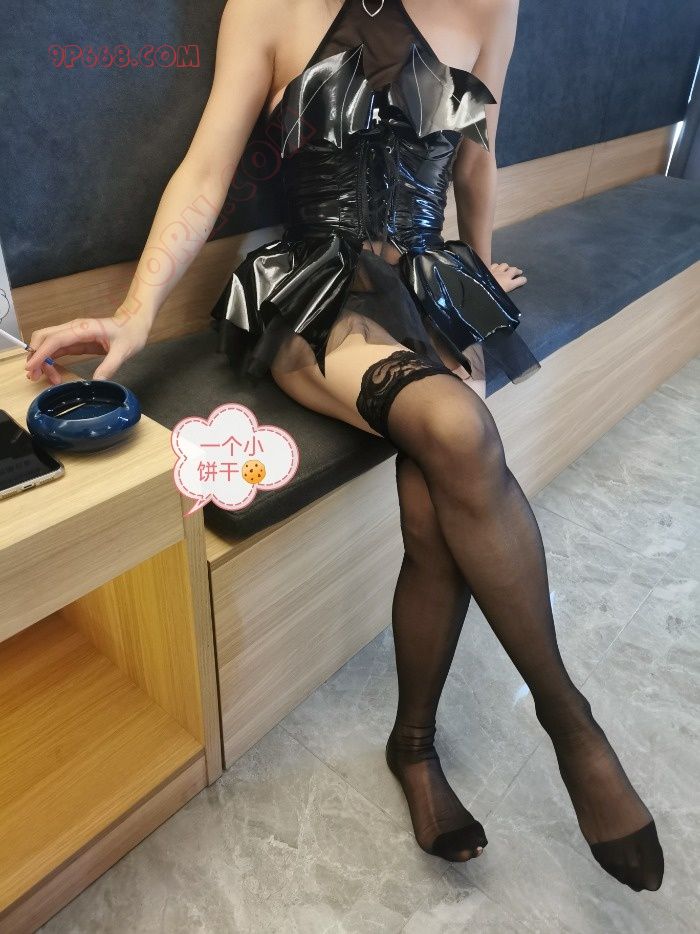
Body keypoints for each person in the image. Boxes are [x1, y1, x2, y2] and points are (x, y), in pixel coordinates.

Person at [24, 0, 663, 892]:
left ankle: (414, 748)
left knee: (434, 503)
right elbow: (206, 171)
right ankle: (571, 723)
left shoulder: (491, 2)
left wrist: (480, 268)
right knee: (456, 429)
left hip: (432, 291)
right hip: (321, 298)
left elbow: (475, 155)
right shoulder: (266, 6)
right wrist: (135, 312)